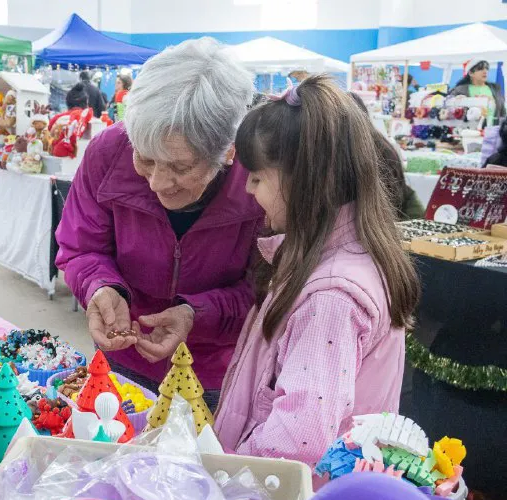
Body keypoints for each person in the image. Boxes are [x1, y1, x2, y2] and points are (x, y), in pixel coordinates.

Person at [214, 76, 420, 472]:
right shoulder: (335, 259)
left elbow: (298, 438)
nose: (250, 190)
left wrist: (228, 477)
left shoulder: (331, 296)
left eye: (257, 177)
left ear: (305, 180)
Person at [55, 38, 263, 410]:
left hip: (214, 372)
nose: (158, 184)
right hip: (123, 356)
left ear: (228, 152)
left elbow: (268, 287)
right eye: (146, 159)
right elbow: (80, 247)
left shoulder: (261, 178)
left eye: (181, 168)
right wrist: (101, 288)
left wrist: (195, 315)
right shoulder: (107, 152)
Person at [349, 92, 424, 220]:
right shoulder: (378, 143)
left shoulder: (368, 148)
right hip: (397, 216)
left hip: (391, 220)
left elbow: (386, 200)